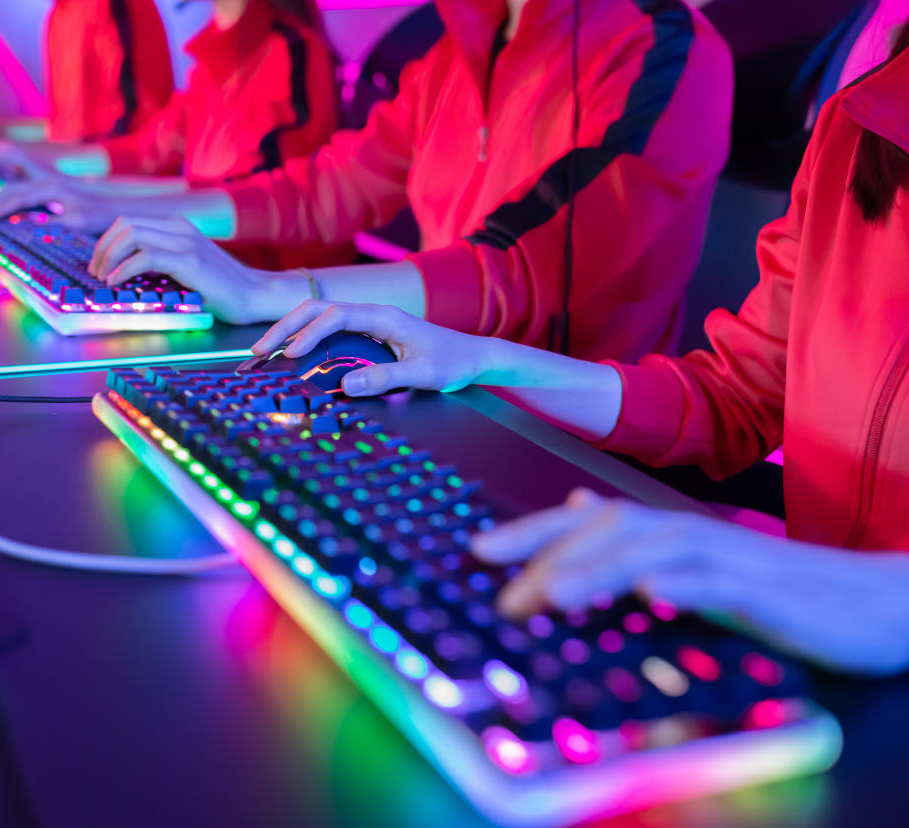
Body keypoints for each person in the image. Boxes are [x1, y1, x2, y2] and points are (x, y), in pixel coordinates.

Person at [248, 23, 909, 676]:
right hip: (812, 639)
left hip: (824, 615)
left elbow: (513, 269)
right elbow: (736, 393)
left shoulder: (657, 47)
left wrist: (879, 599)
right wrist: (488, 361)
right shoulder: (858, 125)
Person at [0, 0, 734, 363]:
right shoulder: (451, 53)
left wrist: (272, 291)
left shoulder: (664, 51)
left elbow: (522, 269)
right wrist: (100, 207)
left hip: (557, 443)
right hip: (416, 380)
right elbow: (320, 189)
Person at [0, 0, 344, 269]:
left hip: (267, 283)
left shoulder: (290, 51)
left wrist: (99, 197)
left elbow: (261, 198)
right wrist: (65, 181)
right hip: (213, 262)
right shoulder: (211, 61)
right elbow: (146, 148)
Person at [0, 0, 173, 145]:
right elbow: (68, 130)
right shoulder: (63, 12)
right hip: (84, 191)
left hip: (116, 208)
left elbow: (132, 148)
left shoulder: (109, 10)